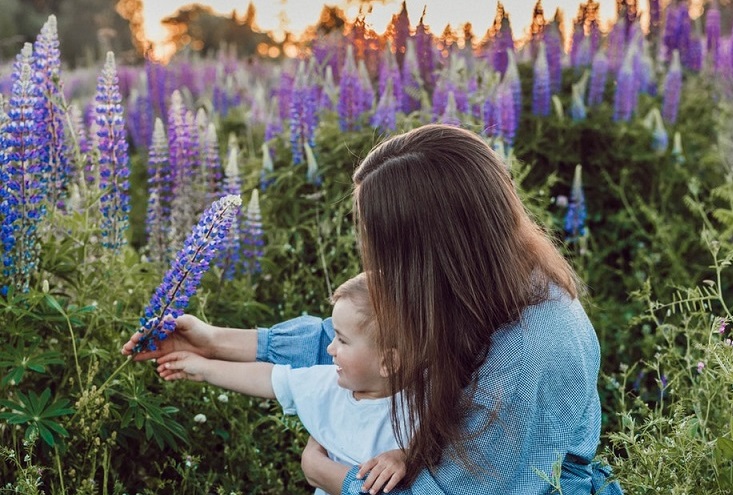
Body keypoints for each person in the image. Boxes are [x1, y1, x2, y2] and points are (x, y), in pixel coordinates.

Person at [125, 124, 622, 494]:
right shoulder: (484, 283)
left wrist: (332, 476)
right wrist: (212, 341)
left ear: (432, 249)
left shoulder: (532, 348)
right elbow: (359, 340)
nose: (375, 260)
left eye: (385, 248)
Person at [124, 273, 407, 495]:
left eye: (342, 340)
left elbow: (436, 447)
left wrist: (403, 456)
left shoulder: (424, 401)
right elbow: (269, 378)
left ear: (388, 363)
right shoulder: (328, 383)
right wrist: (202, 367)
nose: (330, 349)